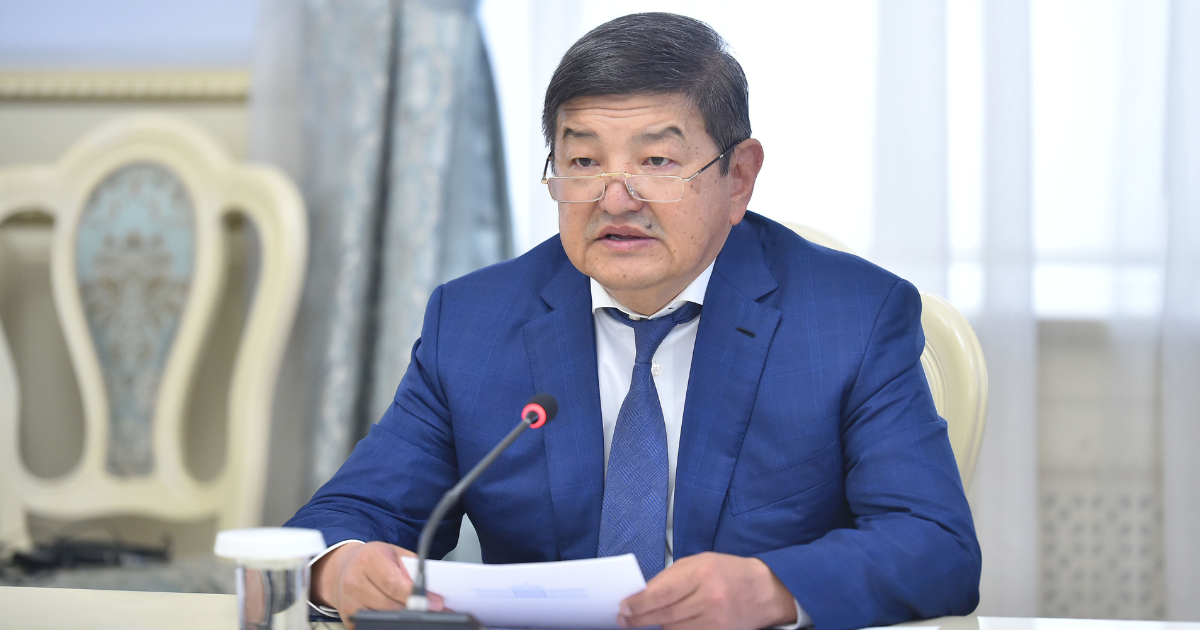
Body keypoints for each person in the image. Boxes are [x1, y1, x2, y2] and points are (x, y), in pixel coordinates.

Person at [287, 12, 981, 630]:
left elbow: (936, 545)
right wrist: (342, 568)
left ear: (738, 177)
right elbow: (345, 518)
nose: (615, 199)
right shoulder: (474, 322)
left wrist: (772, 589)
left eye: (656, 161)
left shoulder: (850, 318)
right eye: (583, 161)